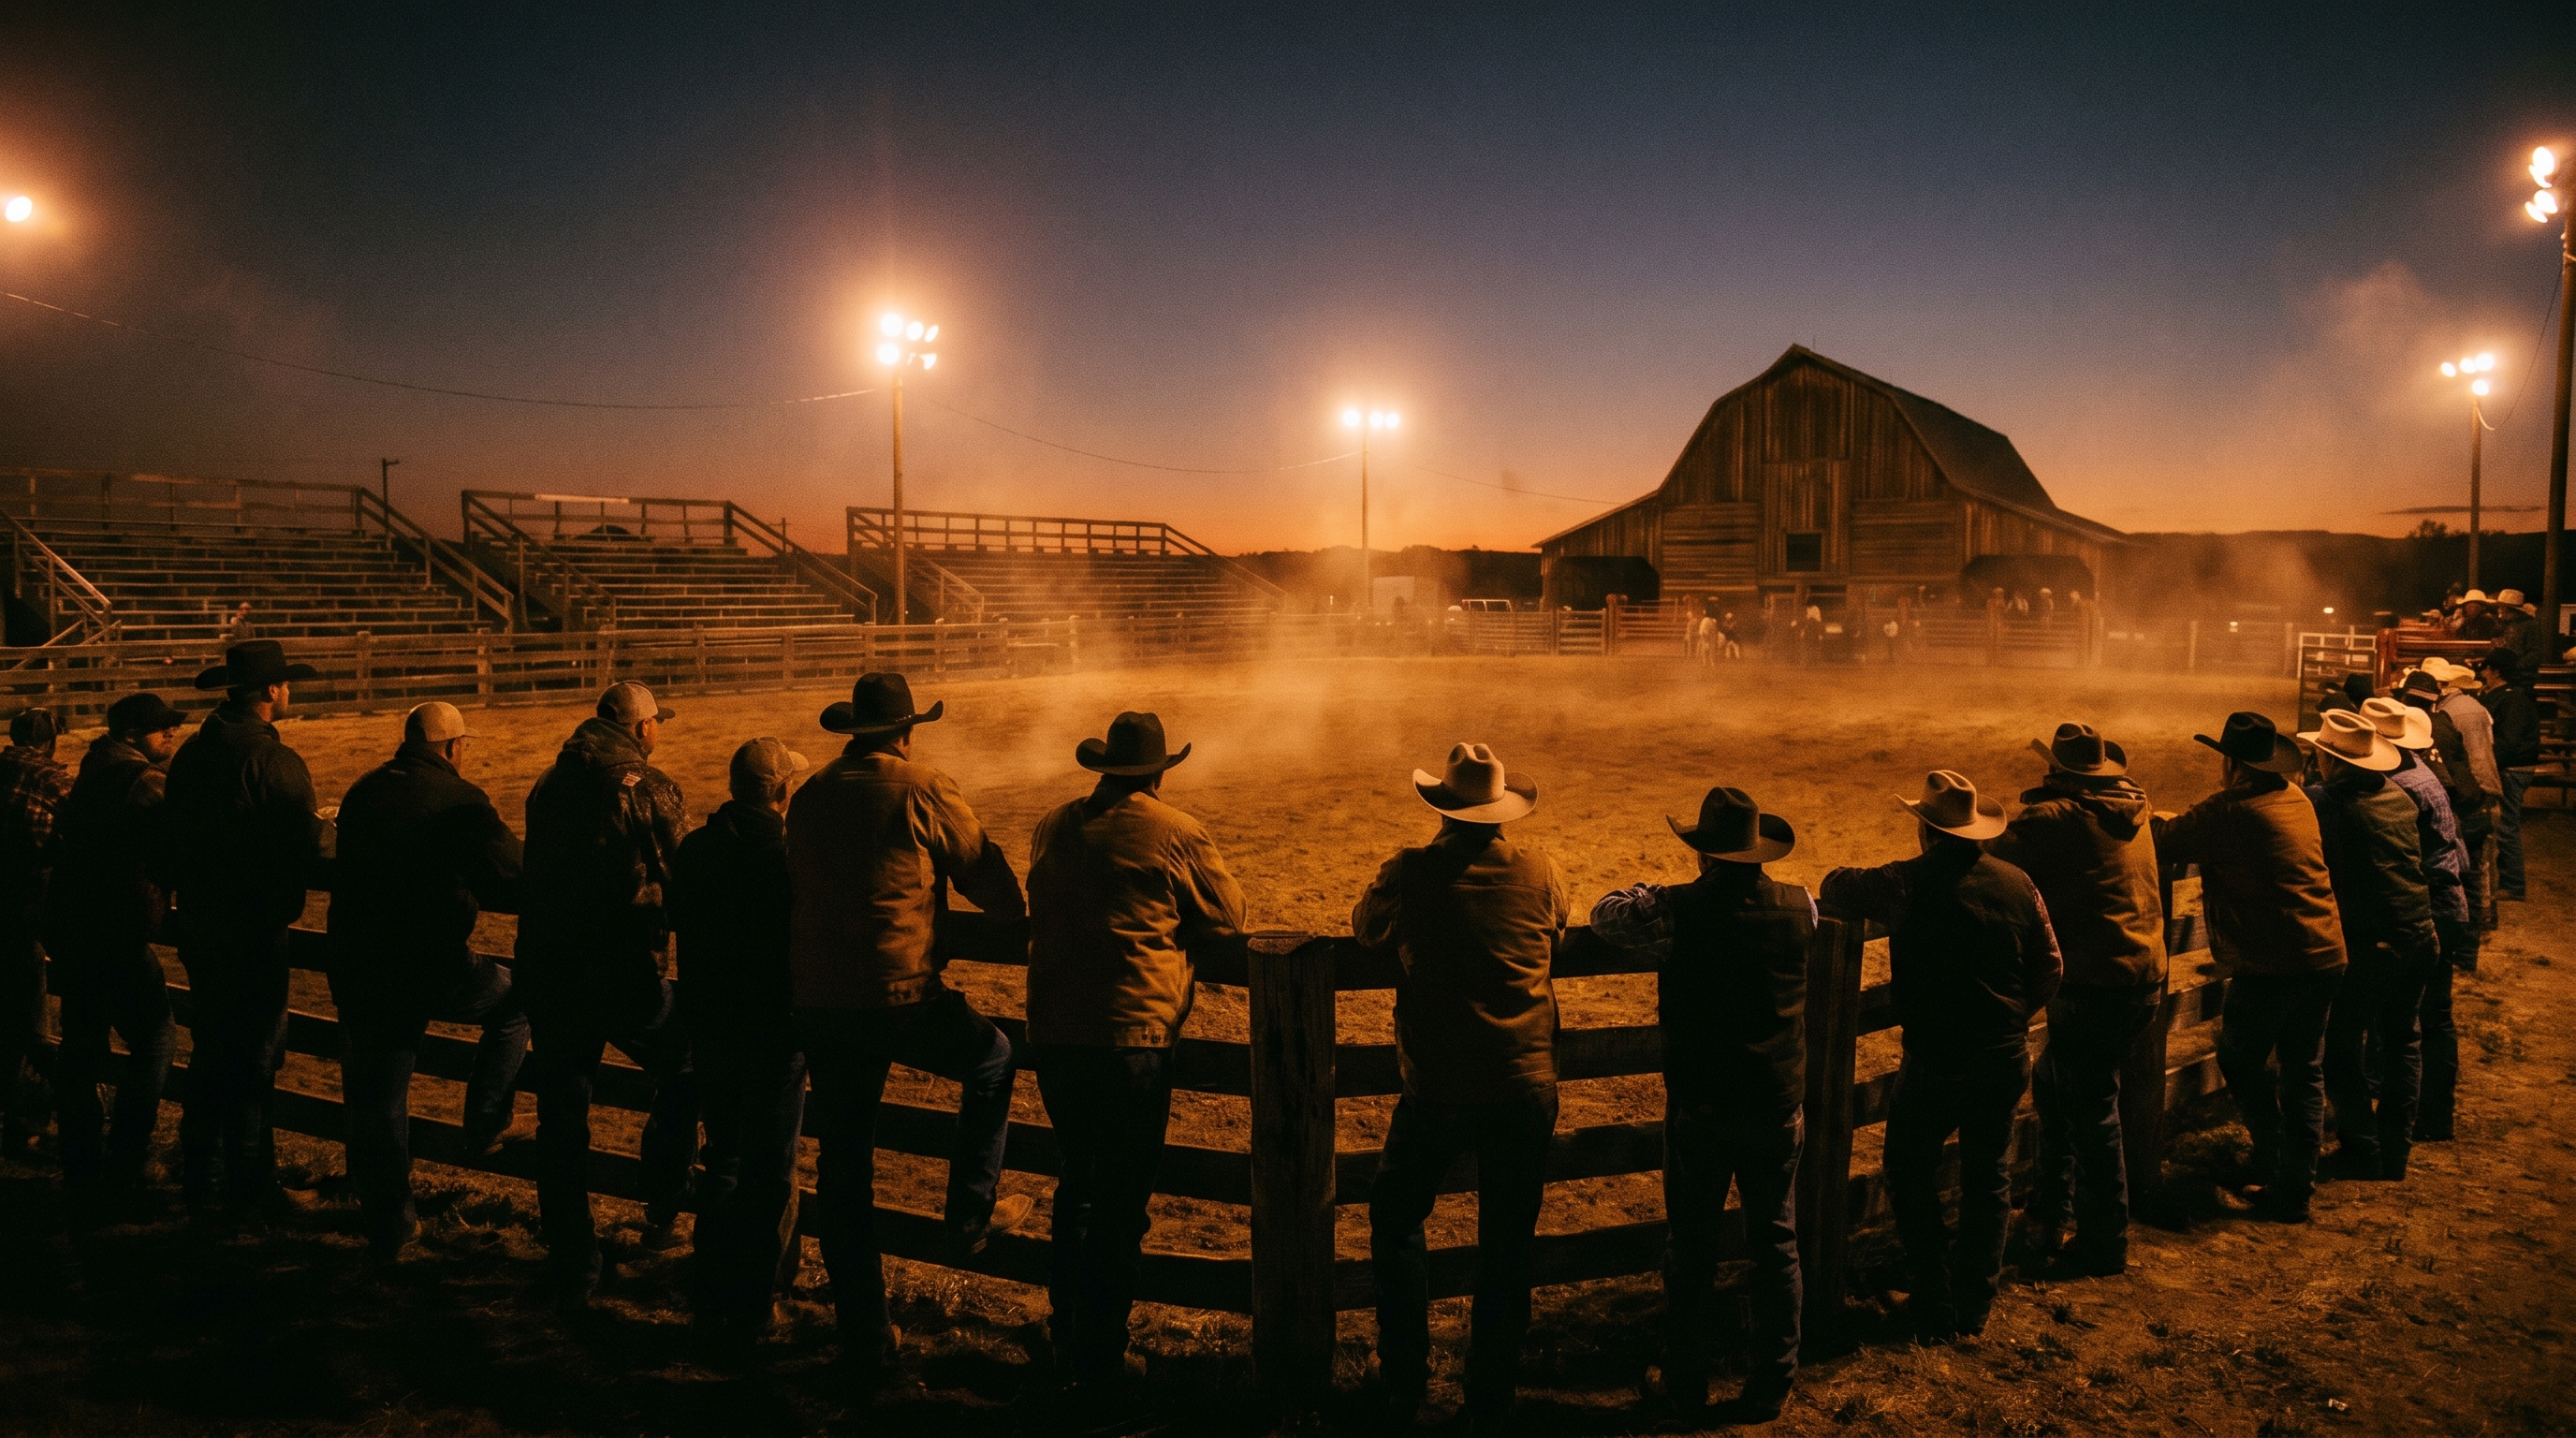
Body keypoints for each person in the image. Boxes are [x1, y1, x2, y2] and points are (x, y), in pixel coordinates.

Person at [789, 674, 1032, 1370]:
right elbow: (977, 863)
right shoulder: (920, 788)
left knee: (844, 1165)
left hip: (822, 998)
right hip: (898, 991)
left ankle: (864, 1330)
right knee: (992, 1058)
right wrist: (1012, 916)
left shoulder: (811, 794)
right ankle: (970, 1214)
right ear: (906, 732)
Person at [1026, 710, 1245, 1396]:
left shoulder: (1054, 825)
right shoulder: (1175, 832)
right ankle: (1100, 1358)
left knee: (1078, 1184)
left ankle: (1069, 1340)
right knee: (1121, 1201)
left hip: (1056, 1031)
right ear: (1157, 774)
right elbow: (1226, 918)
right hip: (1133, 1035)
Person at [1354, 743, 1566, 1427]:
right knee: (1508, 1238)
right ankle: (1491, 1393)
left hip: (1441, 1084)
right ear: (1502, 812)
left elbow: (1366, 929)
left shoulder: (1412, 871)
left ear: (1444, 807)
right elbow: (1556, 931)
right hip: (1525, 1080)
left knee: (1395, 1215)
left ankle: (1404, 1378)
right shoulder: (1540, 870)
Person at [1591, 785, 1808, 1424]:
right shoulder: (1801, 906)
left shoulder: (1679, 909)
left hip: (1706, 1102)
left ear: (1704, 853)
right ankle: (1773, 1381)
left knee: (1692, 1245)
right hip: (1776, 1098)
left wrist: (1645, 891)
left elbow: (1607, 916)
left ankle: (1685, 1381)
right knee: (1776, 1241)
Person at [1819, 771, 2060, 1341]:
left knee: (1908, 1170)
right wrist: (2011, 1017)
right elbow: (2050, 967)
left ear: (1926, 830)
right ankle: (1975, 1302)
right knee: (1988, 1175)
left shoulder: (1905, 882)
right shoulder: (2019, 883)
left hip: (1938, 1057)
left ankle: (1934, 1293)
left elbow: (1836, 884)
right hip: (2003, 1053)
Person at [327, 700, 531, 1263]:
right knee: (515, 1001)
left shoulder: (365, 789)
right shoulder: (458, 799)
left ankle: (390, 1224)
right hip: (425, 963)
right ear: (452, 747)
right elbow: (509, 869)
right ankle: (487, 1122)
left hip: (360, 961)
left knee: (380, 1094)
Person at [516, 680, 698, 1311]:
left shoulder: (549, 784)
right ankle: (664, 1197)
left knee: (561, 1117)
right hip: (620, 971)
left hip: (550, 969)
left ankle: (571, 1259)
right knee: (688, 1065)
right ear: (642, 728)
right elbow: (685, 876)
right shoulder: (645, 787)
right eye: (657, 722)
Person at [2151, 712, 2347, 1222]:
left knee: (2239, 1057)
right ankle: (2295, 1180)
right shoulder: (2295, 797)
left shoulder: (2232, 811)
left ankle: (2275, 1156)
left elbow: (2165, 839)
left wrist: (2147, 813)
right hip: (2325, 951)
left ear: (2233, 765)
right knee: (2303, 1069)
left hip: (2275, 960)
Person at [160, 639, 331, 1219]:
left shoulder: (192, 753)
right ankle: (250, 1182)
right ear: (273, 691)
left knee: (213, 1048)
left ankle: (202, 1174)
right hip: (252, 925)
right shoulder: (270, 759)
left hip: (201, 920)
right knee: (256, 1056)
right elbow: (304, 840)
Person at [1987, 725, 2166, 1278]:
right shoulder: (2133, 809)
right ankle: (2049, 1212)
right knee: (2057, 1083)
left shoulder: (2056, 818)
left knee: (2091, 1107)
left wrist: (2043, 801)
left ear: (2059, 775)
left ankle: (2104, 1241)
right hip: (2142, 976)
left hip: (2096, 983)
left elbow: (1991, 854)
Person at [673, 736, 811, 1343]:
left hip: (711, 1021)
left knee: (723, 1155)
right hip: (774, 1026)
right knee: (770, 1163)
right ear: (781, 790)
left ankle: (711, 1294)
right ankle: (755, 1303)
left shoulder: (697, 848)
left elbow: (678, 915)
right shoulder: (790, 855)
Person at [46, 693, 185, 1206]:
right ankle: (127, 1153)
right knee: (157, 1038)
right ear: (131, 735)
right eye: (160, 727)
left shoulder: (93, 768)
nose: (170, 733)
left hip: (74, 924)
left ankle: (80, 1160)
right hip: (115, 929)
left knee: (82, 1044)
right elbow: (178, 841)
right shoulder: (143, 781)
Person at [2298, 711, 2439, 1182]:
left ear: (2330, 759)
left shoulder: (2325, 801)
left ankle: (2363, 1145)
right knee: (2403, 1041)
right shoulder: (2398, 796)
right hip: (2419, 931)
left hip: (2373, 941)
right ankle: (2394, 1152)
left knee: (2339, 1044)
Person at [2357, 699, 2471, 1141]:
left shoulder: (2398, 786)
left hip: (2425, 908)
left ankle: (2401, 1119)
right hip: (2447, 904)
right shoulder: (2423, 774)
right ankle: (2434, 1116)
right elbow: (2458, 854)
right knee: (2432, 1017)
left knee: (2404, 1021)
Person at [0, 708, 71, 1153]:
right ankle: (30, 1121)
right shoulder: (51, 778)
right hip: (23, 909)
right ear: (51, 741)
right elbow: (84, 826)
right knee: (31, 1017)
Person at [2475, 651, 2539, 902]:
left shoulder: (2512, 701)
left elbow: (2508, 743)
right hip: (2514, 766)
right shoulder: (2506, 697)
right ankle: (2511, 882)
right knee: (2504, 825)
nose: (2483, 673)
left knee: (2506, 826)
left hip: (2514, 768)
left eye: (2486, 669)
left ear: (2496, 671)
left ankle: (2513, 884)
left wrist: (2486, 763)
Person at [2491, 589, 2543, 688]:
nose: (2498, 610)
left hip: (2522, 678)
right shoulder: (2507, 625)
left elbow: (2535, 654)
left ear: (2508, 609)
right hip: (2508, 676)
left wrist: (2514, 665)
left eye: (2501, 607)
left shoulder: (2530, 625)